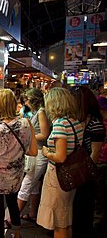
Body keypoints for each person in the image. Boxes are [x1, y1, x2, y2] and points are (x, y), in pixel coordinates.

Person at [0, 89, 37, 238]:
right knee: (13, 203)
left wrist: (0, 157)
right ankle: (17, 233)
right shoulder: (26, 123)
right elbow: (33, 152)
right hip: (16, 178)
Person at [37, 87, 84, 238]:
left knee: (58, 221)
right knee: (65, 216)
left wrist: (46, 152)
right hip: (72, 174)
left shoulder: (60, 124)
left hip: (58, 175)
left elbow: (60, 156)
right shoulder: (74, 122)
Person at [69, 86, 105, 238]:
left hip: (85, 177)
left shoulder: (95, 124)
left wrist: (82, 175)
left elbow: (94, 154)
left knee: (83, 212)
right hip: (76, 174)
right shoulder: (76, 121)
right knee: (75, 212)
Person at [17, 88, 50, 222]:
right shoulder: (36, 112)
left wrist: (28, 137)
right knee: (34, 186)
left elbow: (44, 134)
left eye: (27, 100)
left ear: (33, 100)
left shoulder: (41, 112)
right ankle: (32, 213)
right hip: (37, 151)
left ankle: (11, 218)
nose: (26, 103)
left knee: (26, 184)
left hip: (40, 152)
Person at [95, 95, 107, 236]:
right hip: (101, 160)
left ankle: (98, 224)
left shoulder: (97, 123)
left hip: (100, 161)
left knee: (99, 195)